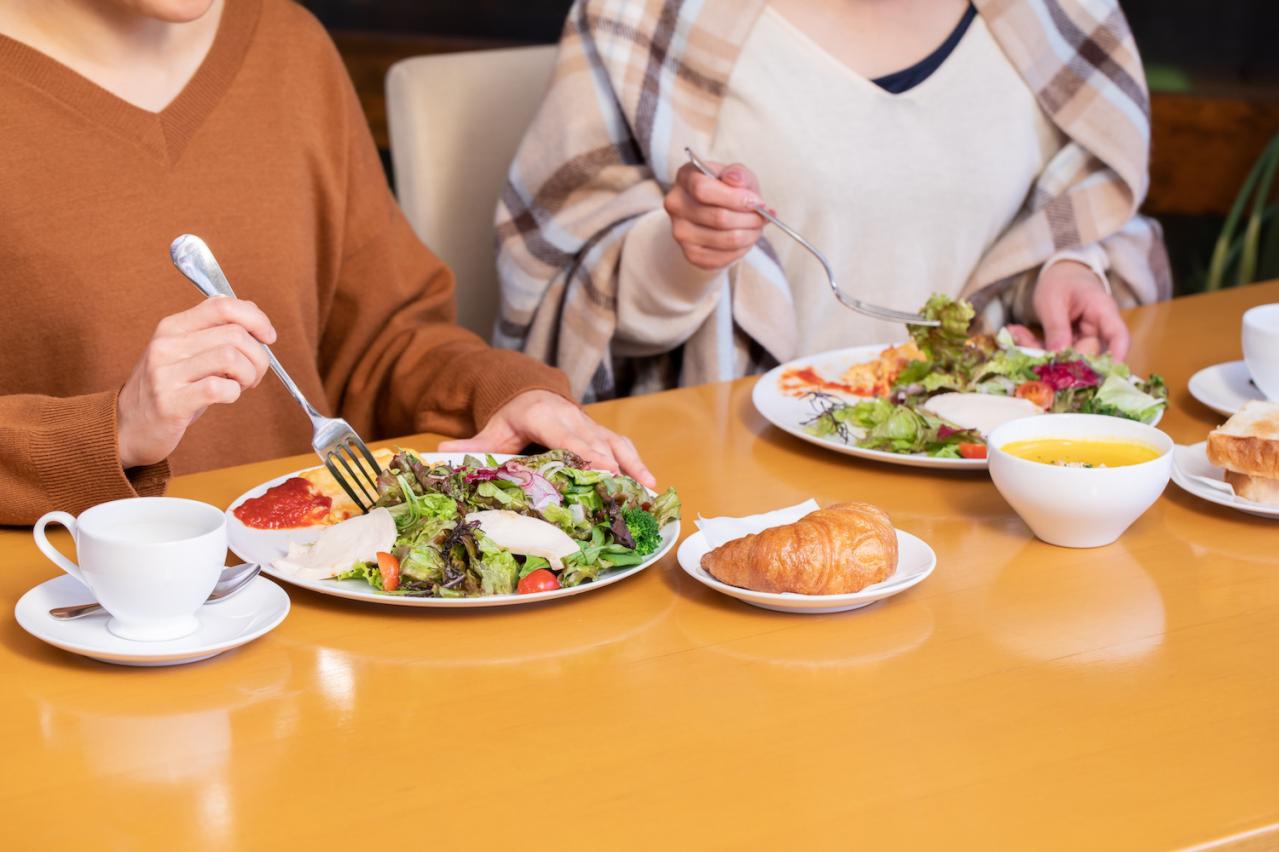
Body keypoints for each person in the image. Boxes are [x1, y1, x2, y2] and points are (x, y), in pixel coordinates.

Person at [0, 0, 653, 526]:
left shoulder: (289, 46)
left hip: (311, 595)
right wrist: (112, 433)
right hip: (71, 626)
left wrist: (505, 394)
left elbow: (380, 338)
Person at [496, 0, 1171, 401]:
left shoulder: (1060, 18)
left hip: (990, 470)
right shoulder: (645, 18)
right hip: (741, 477)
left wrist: (1065, 270)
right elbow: (559, 292)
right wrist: (685, 256)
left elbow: (1089, 208)